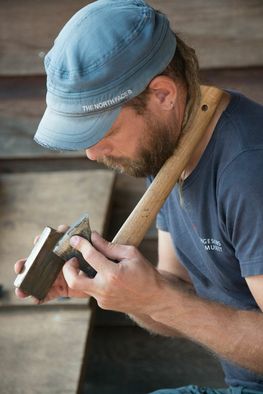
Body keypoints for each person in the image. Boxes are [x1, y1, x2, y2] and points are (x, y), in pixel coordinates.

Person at [14, 1, 263, 393]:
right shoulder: (167, 146)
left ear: (162, 94)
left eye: (101, 130)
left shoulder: (249, 171)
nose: (92, 153)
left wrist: (159, 298)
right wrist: (118, 289)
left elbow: (172, 302)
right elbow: (177, 294)